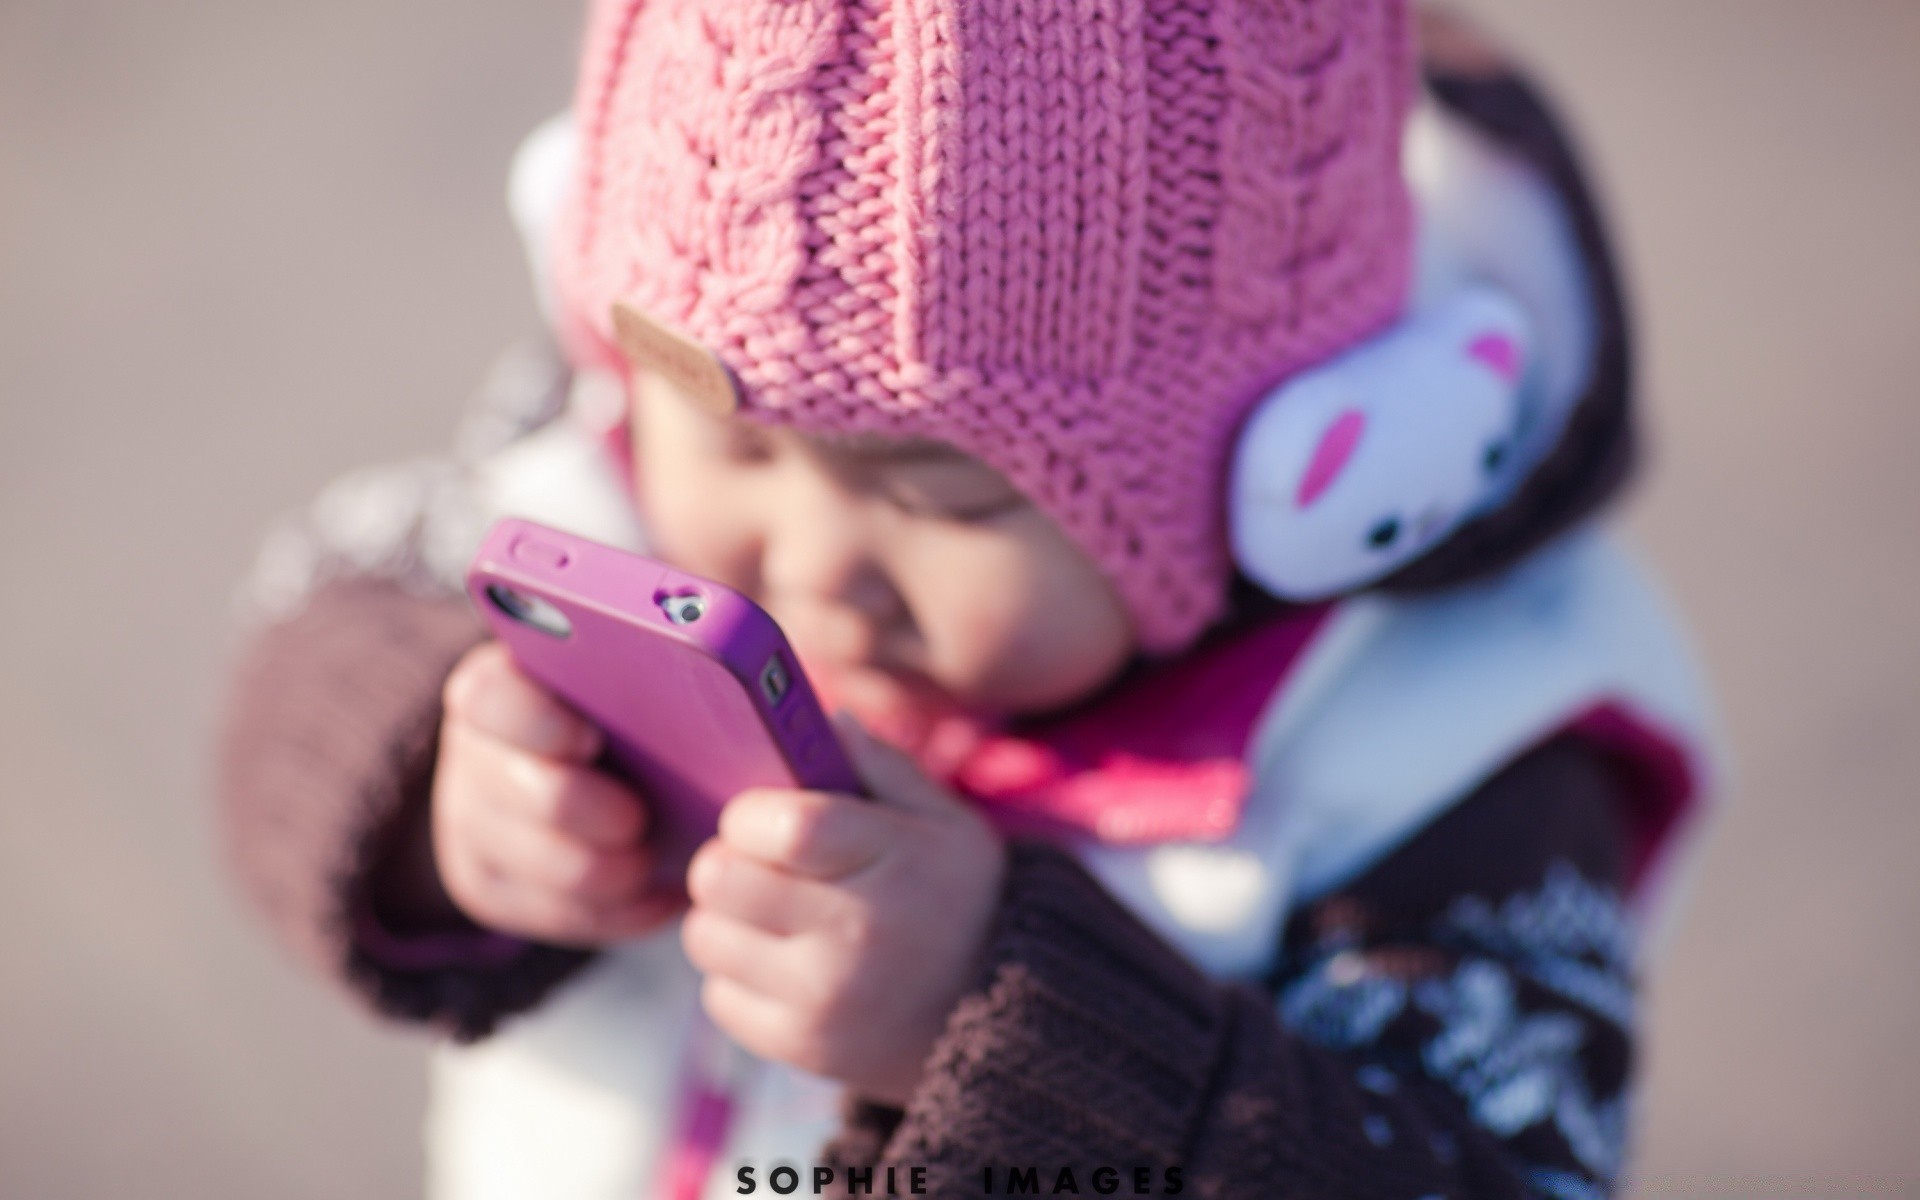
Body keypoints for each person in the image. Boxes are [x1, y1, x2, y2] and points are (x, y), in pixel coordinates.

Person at [217, 4, 1722, 1197]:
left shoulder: (1450, 764)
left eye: (943, 497)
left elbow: (1496, 1170)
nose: (805, 564)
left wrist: (998, 1028)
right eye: (729, 439)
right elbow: (318, 605)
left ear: (1296, 465)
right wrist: (440, 791)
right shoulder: (591, 468)